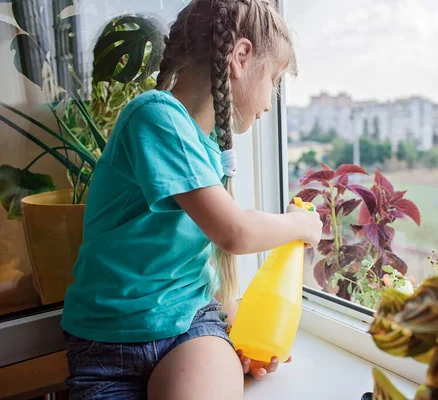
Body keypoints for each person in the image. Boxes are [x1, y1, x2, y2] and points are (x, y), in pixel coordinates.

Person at [61, 0, 322, 398]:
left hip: (191, 327)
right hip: (108, 343)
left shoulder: (206, 149)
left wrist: (239, 335)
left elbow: (190, 259)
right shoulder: (154, 115)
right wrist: (300, 225)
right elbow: (233, 232)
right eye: (275, 79)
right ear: (241, 56)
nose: (272, 102)